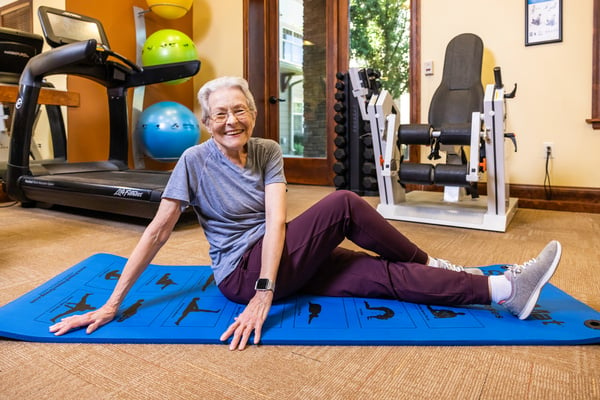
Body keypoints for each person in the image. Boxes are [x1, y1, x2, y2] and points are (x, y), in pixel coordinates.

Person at [49, 76, 562, 350]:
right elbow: (159, 232)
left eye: (240, 109)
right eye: (221, 114)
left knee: (380, 275)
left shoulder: (268, 150)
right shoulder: (192, 161)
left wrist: (271, 284)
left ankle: (503, 292)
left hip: (281, 253)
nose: (232, 120)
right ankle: (434, 263)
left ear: (253, 111)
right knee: (342, 203)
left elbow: (277, 224)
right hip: (240, 275)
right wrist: (114, 302)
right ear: (206, 123)